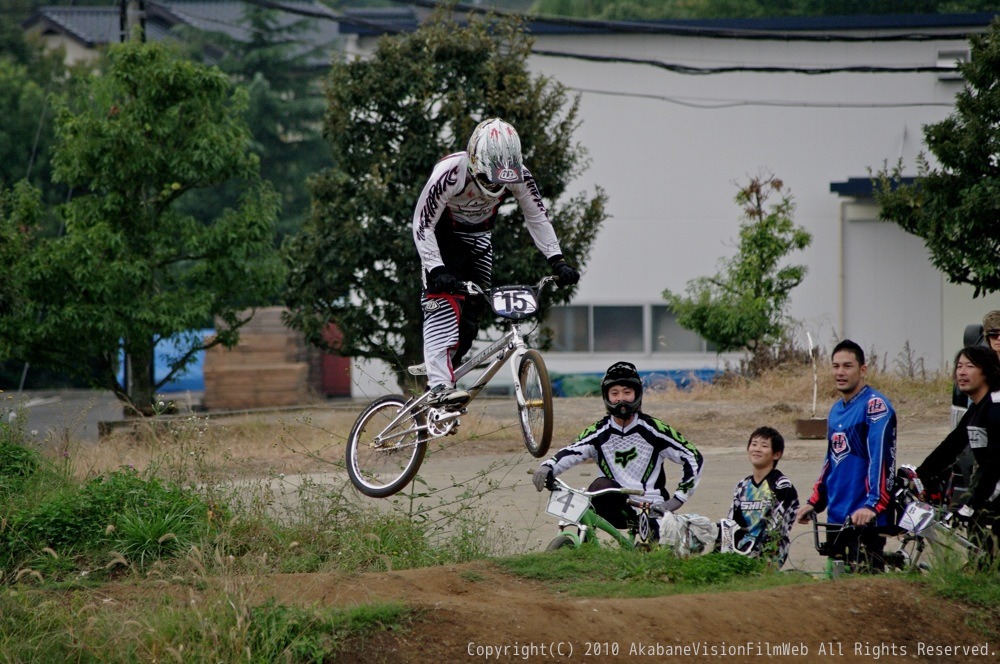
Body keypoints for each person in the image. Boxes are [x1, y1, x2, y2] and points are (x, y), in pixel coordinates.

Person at [412, 118, 580, 405]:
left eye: (502, 180)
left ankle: (444, 362)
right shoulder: (450, 172)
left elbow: (536, 216)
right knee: (444, 301)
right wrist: (436, 268)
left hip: (479, 238)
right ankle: (439, 384)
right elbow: (422, 224)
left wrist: (557, 260)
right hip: (441, 236)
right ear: (476, 159)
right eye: (490, 177)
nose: (495, 184)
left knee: (475, 310)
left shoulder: (521, 176)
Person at [532, 362, 704, 538]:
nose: (621, 399)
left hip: (651, 507)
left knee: (656, 558)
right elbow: (571, 452)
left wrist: (676, 500)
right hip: (615, 504)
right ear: (607, 397)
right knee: (599, 485)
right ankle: (584, 547)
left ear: (637, 394)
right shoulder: (598, 432)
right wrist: (548, 467)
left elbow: (693, 456)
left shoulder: (656, 429)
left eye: (627, 392)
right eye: (614, 393)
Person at [795, 339, 897, 572]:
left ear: (863, 370)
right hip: (836, 515)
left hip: (864, 516)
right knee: (835, 585)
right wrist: (815, 502)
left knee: (865, 589)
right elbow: (830, 461)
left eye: (847, 366)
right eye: (836, 366)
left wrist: (873, 505)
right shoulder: (836, 409)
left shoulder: (875, 406)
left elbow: (881, 459)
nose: (840, 372)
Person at [916, 346, 1000, 567]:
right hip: (991, 489)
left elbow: (996, 460)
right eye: (959, 366)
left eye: (970, 366)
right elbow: (951, 446)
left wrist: (973, 502)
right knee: (982, 556)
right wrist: (918, 475)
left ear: (987, 371)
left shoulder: (996, 407)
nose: (961, 372)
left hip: (994, 488)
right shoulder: (977, 409)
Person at [723, 426, 799, 566]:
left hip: (770, 552)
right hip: (741, 549)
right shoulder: (743, 485)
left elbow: (776, 529)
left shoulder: (782, 486)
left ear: (776, 454)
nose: (757, 449)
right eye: (754, 444)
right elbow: (731, 523)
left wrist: (753, 554)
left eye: (764, 446)